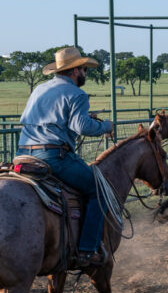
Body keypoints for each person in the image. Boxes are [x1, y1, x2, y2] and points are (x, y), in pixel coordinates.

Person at [16, 47, 113, 267]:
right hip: (52, 156)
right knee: (98, 191)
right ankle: (87, 250)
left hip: (22, 153)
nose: (85, 74)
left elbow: (40, 119)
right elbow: (82, 127)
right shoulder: (77, 94)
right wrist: (105, 125)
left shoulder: (40, 89)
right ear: (74, 71)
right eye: (84, 69)